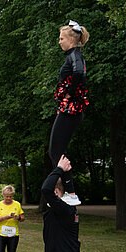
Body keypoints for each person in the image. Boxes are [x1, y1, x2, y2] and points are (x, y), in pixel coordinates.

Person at [49, 21, 89, 207]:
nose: (59, 42)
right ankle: (67, 192)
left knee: (55, 150)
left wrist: (69, 92)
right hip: (68, 108)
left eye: (61, 38)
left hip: (70, 109)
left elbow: (79, 73)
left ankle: (70, 193)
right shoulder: (72, 56)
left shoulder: (75, 56)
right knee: (57, 151)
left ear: (71, 40)